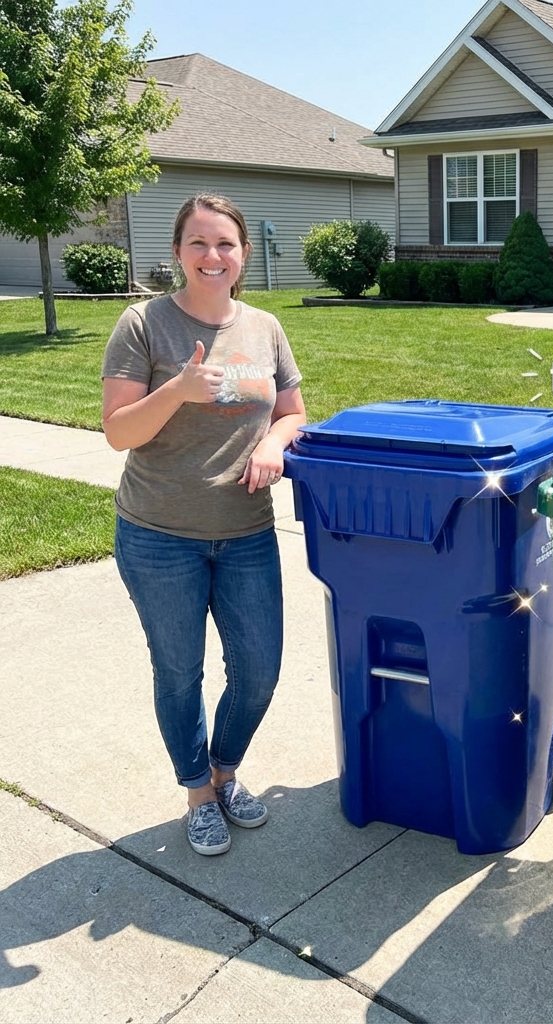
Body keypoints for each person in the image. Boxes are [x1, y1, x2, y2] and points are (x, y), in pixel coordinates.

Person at [101, 193, 305, 856]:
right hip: (159, 535)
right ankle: (197, 792)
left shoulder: (265, 328)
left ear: (243, 253)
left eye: (226, 244)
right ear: (178, 253)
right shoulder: (143, 325)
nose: (213, 256)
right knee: (180, 672)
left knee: (258, 671)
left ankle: (225, 772)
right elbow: (118, 432)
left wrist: (276, 443)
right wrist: (178, 390)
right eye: (199, 243)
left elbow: (293, 411)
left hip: (246, 530)